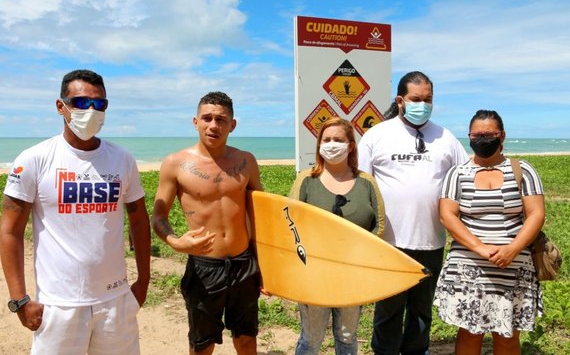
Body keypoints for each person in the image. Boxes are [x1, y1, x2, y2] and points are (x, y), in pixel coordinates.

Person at [0, 69, 151, 354]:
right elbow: (10, 231)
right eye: (82, 103)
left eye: (100, 104)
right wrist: (19, 299)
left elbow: (139, 219)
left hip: (115, 301)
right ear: (61, 106)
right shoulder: (34, 160)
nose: (91, 111)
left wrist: (143, 281)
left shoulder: (122, 159)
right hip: (59, 304)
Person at [357, 71, 469, 355]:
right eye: (416, 99)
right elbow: (361, 187)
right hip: (390, 243)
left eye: (428, 99)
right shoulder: (377, 135)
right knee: (389, 311)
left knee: (421, 313)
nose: (423, 104)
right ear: (400, 100)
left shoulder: (445, 137)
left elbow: (466, 179)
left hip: (432, 241)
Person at [151, 91, 263, 355]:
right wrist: (175, 242)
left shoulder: (246, 161)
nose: (214, 125)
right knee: (202, 344)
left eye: (221, 119)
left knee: (247, 339)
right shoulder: (175, 163)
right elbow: (158, 215)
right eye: (207, 118)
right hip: (204, 266)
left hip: (244, 263)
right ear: (195, 122)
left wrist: (265, 263)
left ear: (232, 125)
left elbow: (261, 213)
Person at [434, 109, 544, 354]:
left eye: (489, 134)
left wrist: (512, 249)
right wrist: (481, 249)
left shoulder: (523, 170)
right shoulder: (458, 173)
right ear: (470, 137)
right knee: (470, 331)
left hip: (514, 265)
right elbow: (447, 215)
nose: (483, 139)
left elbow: (536, 214)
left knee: (507, 333)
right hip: (468, 267)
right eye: (477, 135)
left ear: (502, 135)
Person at [289, 117, 385, 355]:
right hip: (313, 273)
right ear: (319, 144)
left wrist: (360, 257)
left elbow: (380, 225)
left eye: (339, 140)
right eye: (327, 139)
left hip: (352, 273)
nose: (332, 144)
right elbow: (289, 223)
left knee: (347, 336)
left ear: (350, 145)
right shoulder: (306, 180)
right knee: (311, 339)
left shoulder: (366, 182)